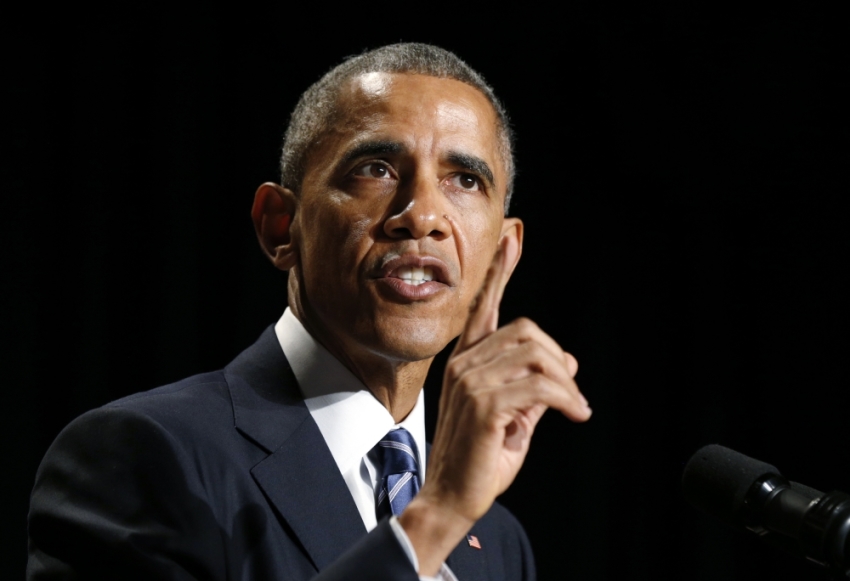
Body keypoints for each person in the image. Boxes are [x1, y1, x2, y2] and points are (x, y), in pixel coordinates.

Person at [27, 43, 592, 580]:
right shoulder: (144, 457)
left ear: (500, 255)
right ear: (280, 226)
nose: (422, 216)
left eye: (464, 180)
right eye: (376, 169)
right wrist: (433, 519)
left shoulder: (497, 539)